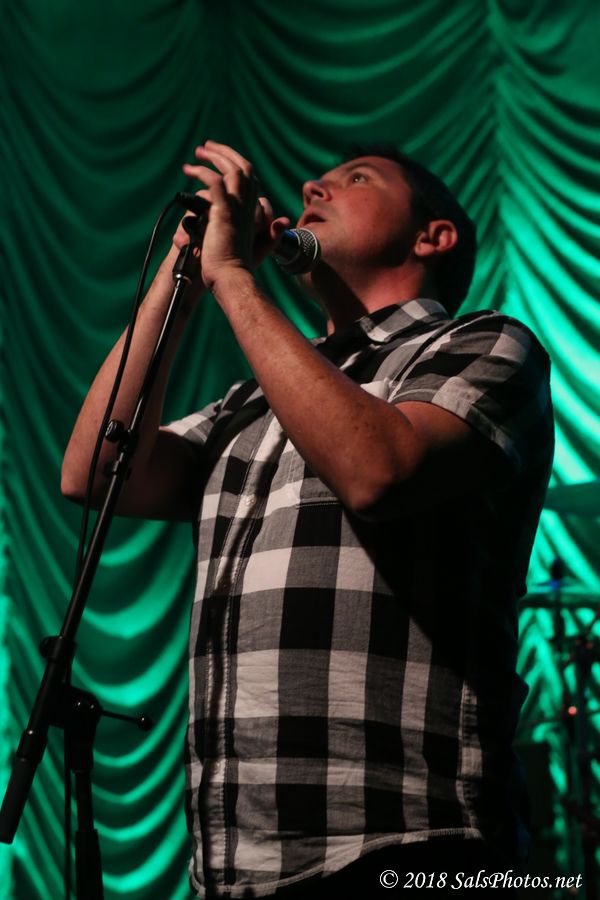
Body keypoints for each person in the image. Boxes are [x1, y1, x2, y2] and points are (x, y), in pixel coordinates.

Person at [62, 140, 554, 898]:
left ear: (433, 237)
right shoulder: (253, 400)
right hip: (239, 865)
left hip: (411, 844)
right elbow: (95, 471)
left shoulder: (482, 343)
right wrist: (185, 276)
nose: (312, 188)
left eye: (355, 179)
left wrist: (234, 277)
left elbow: (377, 469)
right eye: (317, 180)